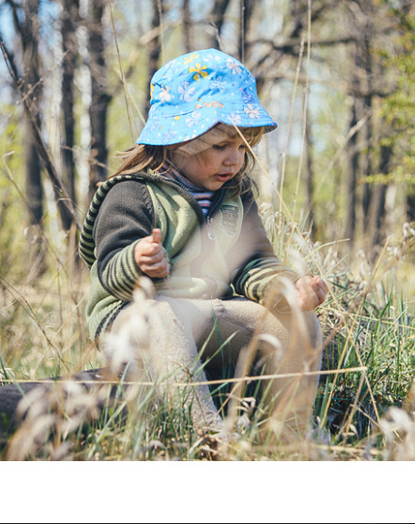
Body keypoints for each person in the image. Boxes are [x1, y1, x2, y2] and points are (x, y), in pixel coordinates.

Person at [79, 49, 328, 439]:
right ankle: (206, 435)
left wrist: (285, 289)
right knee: (161, 316)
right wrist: (139, 263)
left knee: (298, 321)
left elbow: (253, 262)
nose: (235, 160)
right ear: (179, 139)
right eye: (221, 146)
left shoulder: (235, 195)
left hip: (206, 315)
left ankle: (290, 431)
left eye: (244, 147)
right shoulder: (131, 193)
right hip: (136, 321)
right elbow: (107, 264)